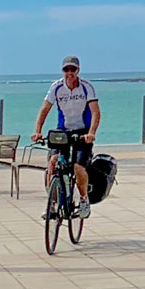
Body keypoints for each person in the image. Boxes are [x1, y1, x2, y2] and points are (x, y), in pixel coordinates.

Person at [32, 56, 100, 219]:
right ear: (62, 71)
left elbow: (96, 112)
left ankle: (84, 200)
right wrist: (37, 131)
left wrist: (91, 133)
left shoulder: (86, 87)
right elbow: (44, 110)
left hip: (82, 131)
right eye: (66, 69)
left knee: (78, 168)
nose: (69, 73)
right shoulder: (56, 88)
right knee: (53, 162)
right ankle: (52, 203)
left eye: (73, 69)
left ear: (78, 70)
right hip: (63, 131)